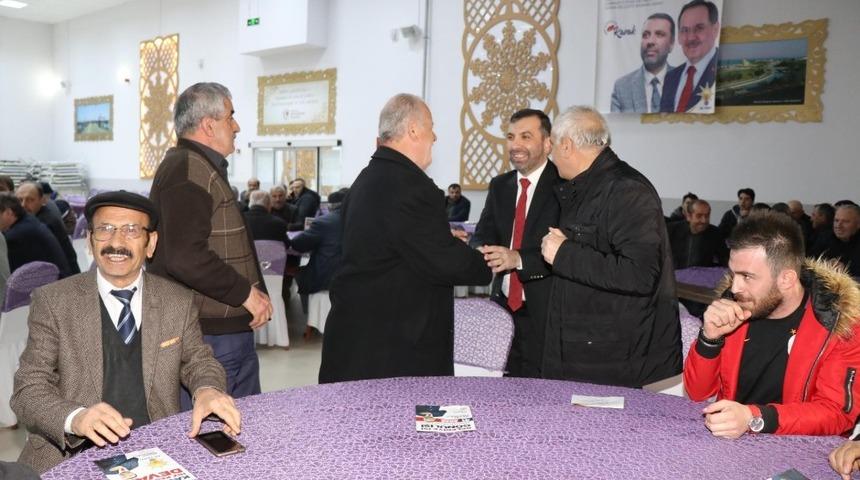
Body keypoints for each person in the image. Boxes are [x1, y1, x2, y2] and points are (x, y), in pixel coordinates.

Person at [11, 191, 240, 473]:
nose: (116, 242)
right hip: (71, 455)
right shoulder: (54, 301)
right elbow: (27, 389)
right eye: (105, 229)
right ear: (90, 240)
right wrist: (76, 418)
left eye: (131, 230)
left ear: (150, 243)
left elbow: (199, 361)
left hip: (155, 449)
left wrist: (207, 390)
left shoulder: (177, 301)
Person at [318, 93, 491, 383]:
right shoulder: (412, 186)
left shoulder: (368, 178)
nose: (435, 137)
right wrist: (485, 261)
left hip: (358, 337)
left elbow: (393, 240)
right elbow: (442, 260)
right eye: (431, 128)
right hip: (393, 349)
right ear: (413, 130)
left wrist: (441, 236)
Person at [148, 82, 272, 408]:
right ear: (208, 124)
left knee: (240, 425)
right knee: (219, 428)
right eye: (230, 117)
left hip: (221, 330)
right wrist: (245, 293)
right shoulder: (188, 170)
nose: (236, 126)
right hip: (210, 336)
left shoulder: (198, 166)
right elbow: (184, 255)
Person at [684, 211, 860, 438]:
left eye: (747, 276)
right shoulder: (734, 309)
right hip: (729, 441)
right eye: (733, 274)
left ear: (786, 279)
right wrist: (709, 339)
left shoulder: (839, 324)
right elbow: (697, 394)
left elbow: (836, 414)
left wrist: (754, 418)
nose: (735, 288)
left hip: (800, 448)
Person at [539, 106, 680, 387]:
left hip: (614, 357)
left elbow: (640, 274)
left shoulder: (626, 190)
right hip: (585, 348)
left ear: (566, 145)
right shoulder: (586, 187)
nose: (550, 155)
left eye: (552, 146)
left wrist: (564, 253)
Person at [471, 108, 561, 377]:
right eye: (511, 137)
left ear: (547, 143)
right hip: (501, 311)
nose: (515, 145)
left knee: (540, 393)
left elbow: (568, 250)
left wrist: (517, 258)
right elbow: (483, 233)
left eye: (526, 136)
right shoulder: (500, 185)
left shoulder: (564, 186)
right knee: (500, 390)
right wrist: (481, 249)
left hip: (545, 314)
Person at [288, 188, 347, 332]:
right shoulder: (364, 221)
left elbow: (298, 244)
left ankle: (312, 322)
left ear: (329, 206)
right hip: (355, 276)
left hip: (326, 277)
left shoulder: (324, 222)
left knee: (298, 271)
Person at [660, 0, 720, 113]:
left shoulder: (725, 70)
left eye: (699, 28)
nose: (691, 37)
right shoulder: (670, 78)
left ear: (715, 29)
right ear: (679, 36)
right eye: (685, 30)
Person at [611, 13, 675, 113]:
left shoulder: (683, 81)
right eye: (645, 35)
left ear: (671, 44)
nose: (650, 41)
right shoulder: (621, 87)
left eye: (659, 34)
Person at [16, 182, 80, 275]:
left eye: (30, 200)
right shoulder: (38, 215)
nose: (23, 205)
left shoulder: (44, 223)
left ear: (42, 200)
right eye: (19, 200)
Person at [0, 193, 71, 277]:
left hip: (54, 283)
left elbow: (8, 276)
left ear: (8, 212)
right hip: (60, 277)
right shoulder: (28, 220)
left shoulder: (15, 236)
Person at [667, 200, 727, 269]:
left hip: (702, 274)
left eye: (707, 216)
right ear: (688, 216)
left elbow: (724, 259)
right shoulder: (671, 230)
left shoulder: (715, 233)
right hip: (673, 273)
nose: (704, 220)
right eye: (699, 216)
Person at [811, 204, 860, 278]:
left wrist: (847, 269)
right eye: (836, 221)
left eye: (845, 222)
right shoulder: (825, 236)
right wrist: (823, 264)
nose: (838, 226)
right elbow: (810, 259)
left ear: (858, 224)